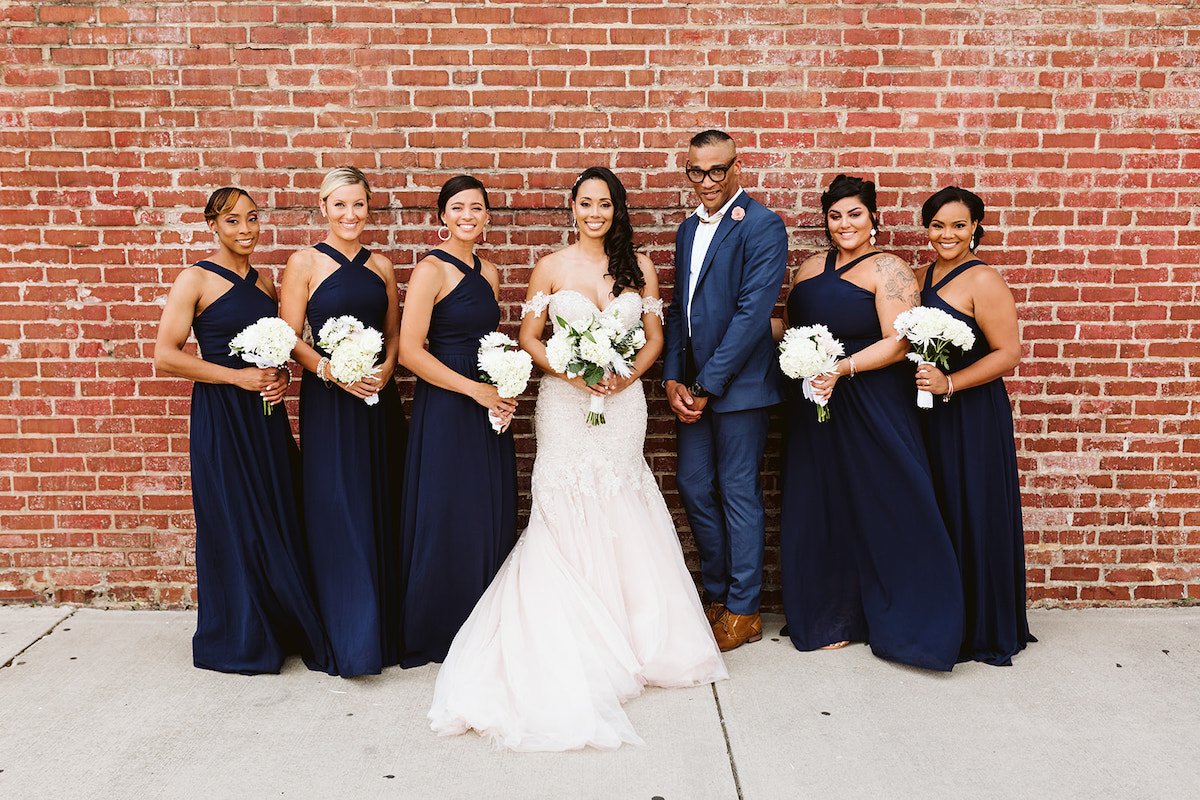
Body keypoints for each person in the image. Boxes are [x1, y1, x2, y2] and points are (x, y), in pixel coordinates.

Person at [428, 167, 727, 751]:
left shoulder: (637, 267)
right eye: (586, 203)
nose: (595, 213)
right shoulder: (551, 266)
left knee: (620, 495)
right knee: (564, 501)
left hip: (622, 404)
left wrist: (624, 376)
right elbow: (531, 336)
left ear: (617, 210)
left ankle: (632, 635)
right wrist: (571, 371)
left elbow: (656, 339)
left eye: (606, 204)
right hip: (566, 404)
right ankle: (574, 633)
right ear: (572, 207)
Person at [778, 174, 965, 671]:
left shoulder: (890, 268)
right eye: (835, 215)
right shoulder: (810, 266)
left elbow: (899, 340)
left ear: (873, 218)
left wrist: (841, 368)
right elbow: (791, 327)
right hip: (816, 401)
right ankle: (834, 615)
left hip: (871, 399)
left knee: (889, 498)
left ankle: (914, 618)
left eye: (855, 214)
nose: (845, 224)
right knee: (825, 503)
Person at [153, 187, 333, 674]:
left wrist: (281, 377)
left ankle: (278, 622)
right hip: (220, 415)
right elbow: (165, 355)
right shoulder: (194, 279)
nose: (246, 229)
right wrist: (236, 377)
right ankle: (240, 634)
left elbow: (277, 348)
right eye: (233, 221)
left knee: (276, 511)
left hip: (264, 417)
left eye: (252, 219)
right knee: (232, 517)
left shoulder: (266, 284)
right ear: (212, 225)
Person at [661, 130, 789, 652]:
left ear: (737, 168)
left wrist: (707, 385)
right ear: (687, 171)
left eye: (718, 170)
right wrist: (672, 376)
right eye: (697, 171)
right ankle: (716, 595)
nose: (708, 181)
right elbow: (678, 309)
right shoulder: (688, 229)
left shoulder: (762, 225)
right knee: (694, 486)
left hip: (739, 389)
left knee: (738, 493)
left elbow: (751, 316)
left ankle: (743, 609)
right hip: (690, 387)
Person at [279, 167, 406, 677]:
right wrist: (330, 370)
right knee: (338, 507)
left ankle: (383, 628)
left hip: (378, 397)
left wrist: (385, 370)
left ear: (369, 207)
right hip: (330, 399)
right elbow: (289, 335)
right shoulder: (303, 262)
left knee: (380, 500)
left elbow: (395, 334)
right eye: (340, 205)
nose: (350, 215)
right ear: (323, 207)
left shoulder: (382, 266)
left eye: (359, 205)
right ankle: (347, 634)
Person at [397, 175, 519, 668]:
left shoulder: (489, 272)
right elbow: (408, 350)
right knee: (447, 508)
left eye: (477, 208)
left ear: (487, 216)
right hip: (448, 401)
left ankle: (482, 620)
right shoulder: (431, 269)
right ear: (442, 216)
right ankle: (440, 626)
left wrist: (503, 389)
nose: (468, 215)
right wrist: (473, 390)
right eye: (458, 208)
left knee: (483, 506)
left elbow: (489, 341)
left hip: (487, 401)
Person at [914, 186, 1035, 666]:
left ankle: (982, 625)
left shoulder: (983, 280)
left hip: (971, 412)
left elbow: (1009, 353)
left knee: (973, 508)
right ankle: (945, 615)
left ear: (976, 229)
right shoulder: (922, 274)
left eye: (959, 225)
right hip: (930, 413)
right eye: (938, 225)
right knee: (940, 509)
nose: (947, 234)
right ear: (927, 228)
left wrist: (950, 383)